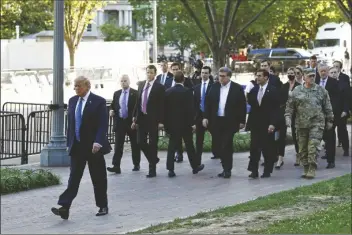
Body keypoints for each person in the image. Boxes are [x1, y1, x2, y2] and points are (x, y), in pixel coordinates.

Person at [51, 76, 111, 219]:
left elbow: (103, 125)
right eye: (75, 86)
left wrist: (98, 142)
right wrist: (68, 144)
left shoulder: (99, 102)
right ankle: (64, 207)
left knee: (98, 178)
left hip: (93, 147)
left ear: (87, 86)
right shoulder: (72, 101)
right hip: (77, 147)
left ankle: (102, 205)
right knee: (73, 179)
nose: (75, 88)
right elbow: (70, 125)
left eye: (78, 86)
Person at [285, 68, 334, 179]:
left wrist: (330, 120)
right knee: (302, 149)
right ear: (304, 77)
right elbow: (290, 107)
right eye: (309, 76)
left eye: (313, 76)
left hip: (316, 124)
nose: (312, 78)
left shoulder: (321, 90)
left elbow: (327, 107)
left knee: (313, 147)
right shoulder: (297, 91)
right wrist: (288, 118)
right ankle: (306, 167)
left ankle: (312, 168)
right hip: (301, 125)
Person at [203, 67, 247, 178]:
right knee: (218, 146)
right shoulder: (214, 87)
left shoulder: (237, 88)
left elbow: (242, 105)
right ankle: (224, 166)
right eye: (219, 75)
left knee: (226, 145)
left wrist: (242, 120)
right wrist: (205, 117)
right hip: (216, 120)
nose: (220, 78)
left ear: (229, 76)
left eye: (223, 76)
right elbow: (208, 104)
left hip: (230, 121)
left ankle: (227, 169)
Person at [164, 71, 205, 177]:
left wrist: (166, 124)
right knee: (190, 146)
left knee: (172, 147)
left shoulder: (168, 92)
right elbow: (190, 109)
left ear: (174, 80)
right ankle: (195, 167)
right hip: (185, 124)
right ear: (183, 80)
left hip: (173, 124)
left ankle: (170, 169)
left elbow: (165, 110)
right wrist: (193, 123)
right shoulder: (187, 92)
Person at [132, 65, 165, 178]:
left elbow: (162, 105)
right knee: (140, 142)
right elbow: (138, 102)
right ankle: (153, 159)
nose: (149, 74)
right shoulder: (141, 85)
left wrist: (161, 121)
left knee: (152, 144)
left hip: (153, 119)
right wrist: (134, 117)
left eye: (151, 72)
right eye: (147, 72)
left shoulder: (159, 87)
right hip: (142, 118)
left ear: (155, 74)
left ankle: (152, 170)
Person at [247, 69, 280, 178]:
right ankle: (254, 171)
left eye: (260, 76)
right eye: (257, 76)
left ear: (266, 77)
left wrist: (273, 123)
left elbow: (276, 109)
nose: (258, 78)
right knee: (254, 148)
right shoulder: (254, 90)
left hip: (267, 124)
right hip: (256, 124)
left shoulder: (273, 90)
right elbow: (252, 105)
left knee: (267, 148)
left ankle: (267, 170)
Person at [107, 75, 140, 174]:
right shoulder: (117, 93)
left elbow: (138, 107)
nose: (123, 83)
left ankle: (136, 164)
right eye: (121, 81)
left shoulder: (135, 93)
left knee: (135, 144)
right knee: (118, 145)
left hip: (131, 122)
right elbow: (113, 105)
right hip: (120, 122)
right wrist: (111, 110)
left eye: (125, 81)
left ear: (129, 82)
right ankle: (116, 166)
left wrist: (136, 120)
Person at [315, 64, 340, 168]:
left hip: (329, 116)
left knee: (330, 139)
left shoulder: (333, 83)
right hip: (316, 117)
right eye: (321, 71)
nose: (323, 73)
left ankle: (331, 161)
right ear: (318, 72)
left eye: (325, 71)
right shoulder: (315, 82)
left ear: (327, 71)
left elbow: (336, 101)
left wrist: (331, 117)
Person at [276, 68, 301, 169]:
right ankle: (280, 158)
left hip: (296, 114)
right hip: (284, 113)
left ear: (295, 74)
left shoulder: (299, 86)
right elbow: (280, 100)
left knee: (296, 136)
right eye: (289, 73)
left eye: (292, 73)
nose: (290, 75)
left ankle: (298, 156)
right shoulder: (284, 86)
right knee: (282, 136)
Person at [193, 66, 215, 160]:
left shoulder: (214, 86)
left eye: (206, 73)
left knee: (216, 136)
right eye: (202, 72)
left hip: (211, 116)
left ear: (209, 74)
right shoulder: (196, 87)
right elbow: (195, 103)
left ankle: (217, 153)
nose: (204, 75)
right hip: (199, 116)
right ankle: (198, 159)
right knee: (199, 139)